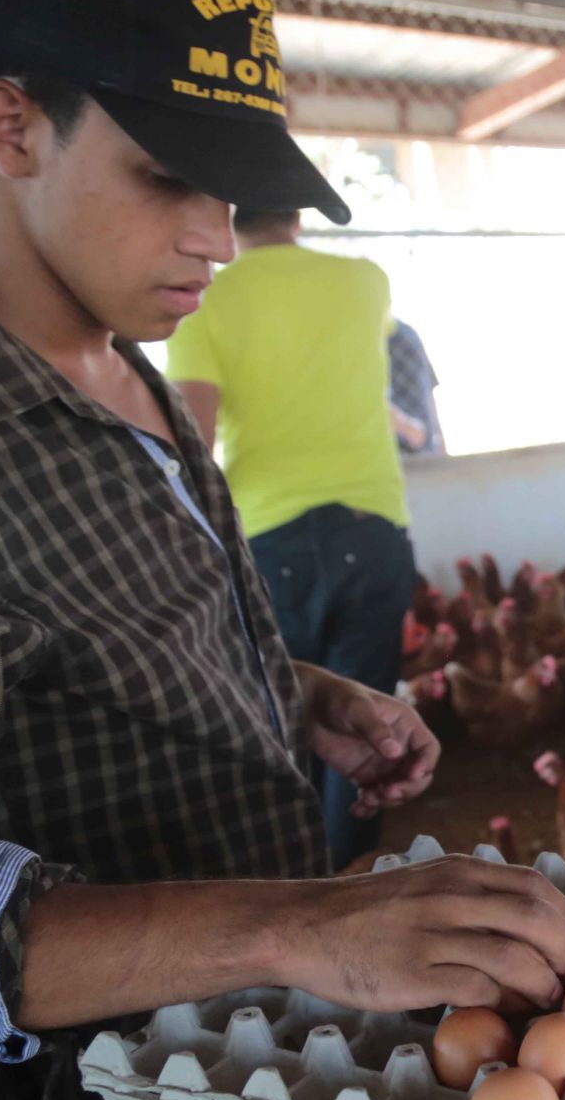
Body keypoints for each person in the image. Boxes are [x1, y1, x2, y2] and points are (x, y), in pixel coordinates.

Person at [0, 0, 565, 1100]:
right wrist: (293, 928)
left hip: (261, 1080)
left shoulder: (128, 362)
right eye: (166, 177)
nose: (214, 234)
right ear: (11, 126)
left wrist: (293, 693)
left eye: (231, 190)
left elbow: (95, 656)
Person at [167, 208, 416, 871]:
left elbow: (191, 434)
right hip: (375, 522)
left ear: (223, 215)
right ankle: (357, 885)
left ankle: (293, 904)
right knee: (368, 729)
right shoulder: (365, 280)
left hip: (269, 540)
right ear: (299, 212)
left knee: (280, 725)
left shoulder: (206, 296)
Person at [386, 318, 443, 455]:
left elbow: (428, 392)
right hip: (397, 452)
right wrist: (407, 427)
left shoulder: (408, 333)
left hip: (423, 451)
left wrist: (441, 447)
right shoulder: (408, 333)